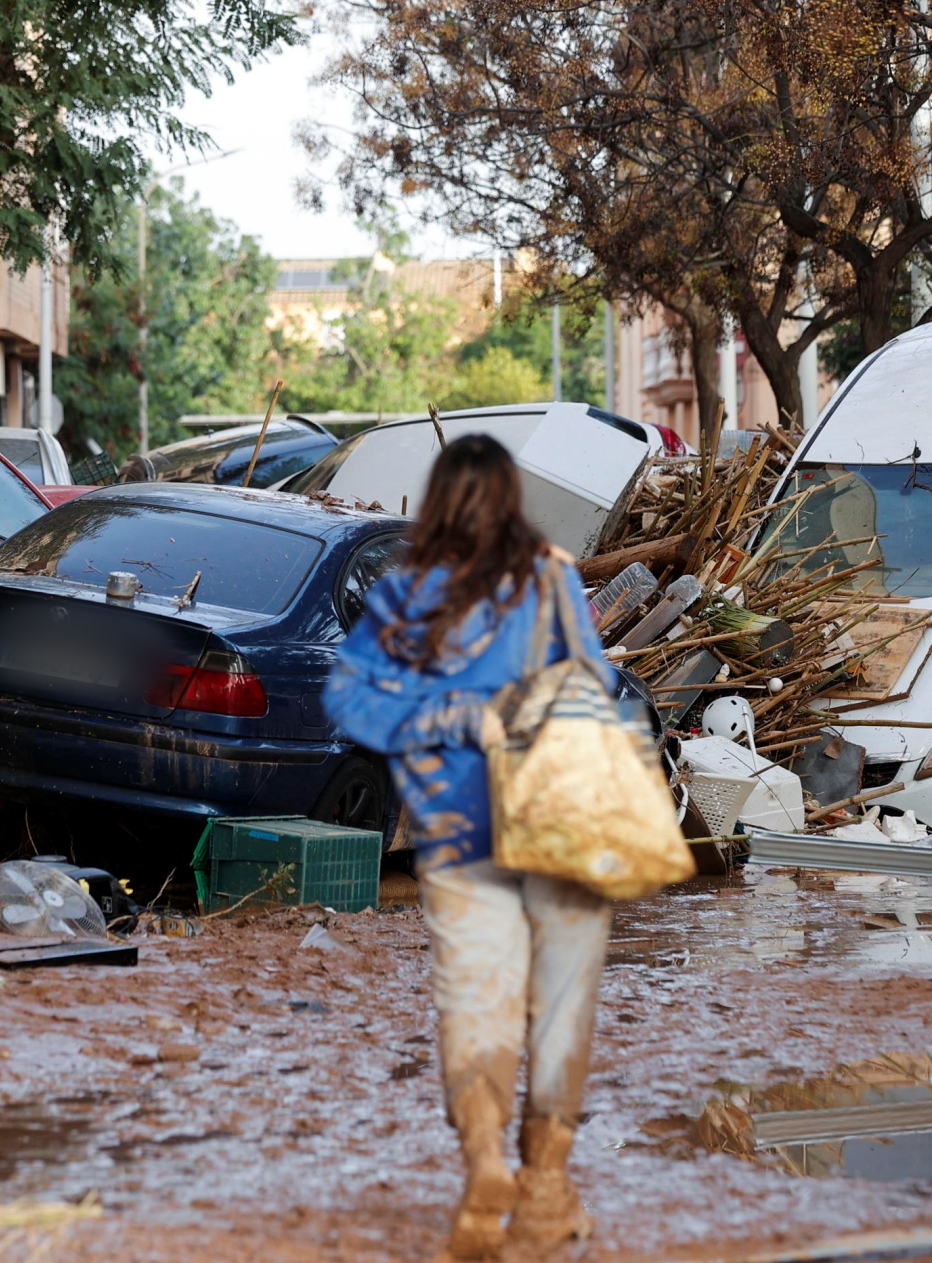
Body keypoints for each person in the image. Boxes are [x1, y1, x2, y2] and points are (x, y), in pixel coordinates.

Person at [325, 435, 616, 1260]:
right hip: (553, 831)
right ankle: (547, 1190)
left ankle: (486, 1166)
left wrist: (438, 721)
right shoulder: (553, 579)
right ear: (513, 499)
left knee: (475, 1003)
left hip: (454, 841)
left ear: (441, 501)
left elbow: (348, 701)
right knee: (558, 1008)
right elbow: (592, 686)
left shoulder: (405, 599)